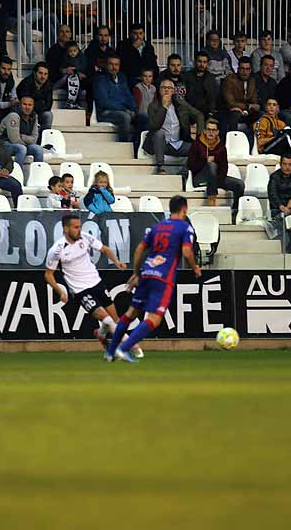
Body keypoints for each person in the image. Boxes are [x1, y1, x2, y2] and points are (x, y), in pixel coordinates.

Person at [105, 195, 201, 363]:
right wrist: (195, 267)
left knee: (130, 314)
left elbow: (139, 250)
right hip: (163, 278)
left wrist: (136, 273)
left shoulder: (157, 227)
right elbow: (186, 252)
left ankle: (110, 352)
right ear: (184, 209)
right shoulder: (185, 227)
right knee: (154, 319)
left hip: (147, 272)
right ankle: (123, 348)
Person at [43, 214, 140, 356]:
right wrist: (60, 291)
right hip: (80, 290)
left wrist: (117, 261)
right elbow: (48, 274)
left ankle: (101, 335)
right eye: (75, 227)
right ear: (66, 229)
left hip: (97, 283)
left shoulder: (85, 237)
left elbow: (105, 249)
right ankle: (130, 345)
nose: (79, 230)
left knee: (114, 320)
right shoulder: (57, 250)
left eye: (79, 226)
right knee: (106, 319)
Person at [188, 118, 245, 217]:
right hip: (200, 177)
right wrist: (204, 161)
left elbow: (224, 168)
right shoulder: (196, 144)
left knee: (239, 184)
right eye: (209, 129)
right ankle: (212, 201)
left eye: (213, 130)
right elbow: (191, 165)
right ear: (204, 131)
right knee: (211, 165)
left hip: (216, 178)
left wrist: (216, 180)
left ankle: (235, 211)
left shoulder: (221, 147)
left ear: (217, 132)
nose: (211, 132)